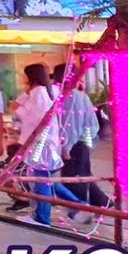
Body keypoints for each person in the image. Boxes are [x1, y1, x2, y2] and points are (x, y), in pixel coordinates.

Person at [14, 64, 91, 227]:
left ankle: (43, 217)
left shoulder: (40, 92)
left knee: (41, 179)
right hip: (44, 142)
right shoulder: (46, 91)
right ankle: (77, 207)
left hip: (40, 143)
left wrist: (19, 110)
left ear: (30, 77)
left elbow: (38, 118)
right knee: (45, 179)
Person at [53, 64, 108, 208]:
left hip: (73, 145)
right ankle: (101, 204)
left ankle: (89, 206)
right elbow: (90, 123)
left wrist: (66, 148)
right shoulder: (78, 96)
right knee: (81, 176)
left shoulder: (69, 97)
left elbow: (71, 125)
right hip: (80, 143)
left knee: (74, 179)